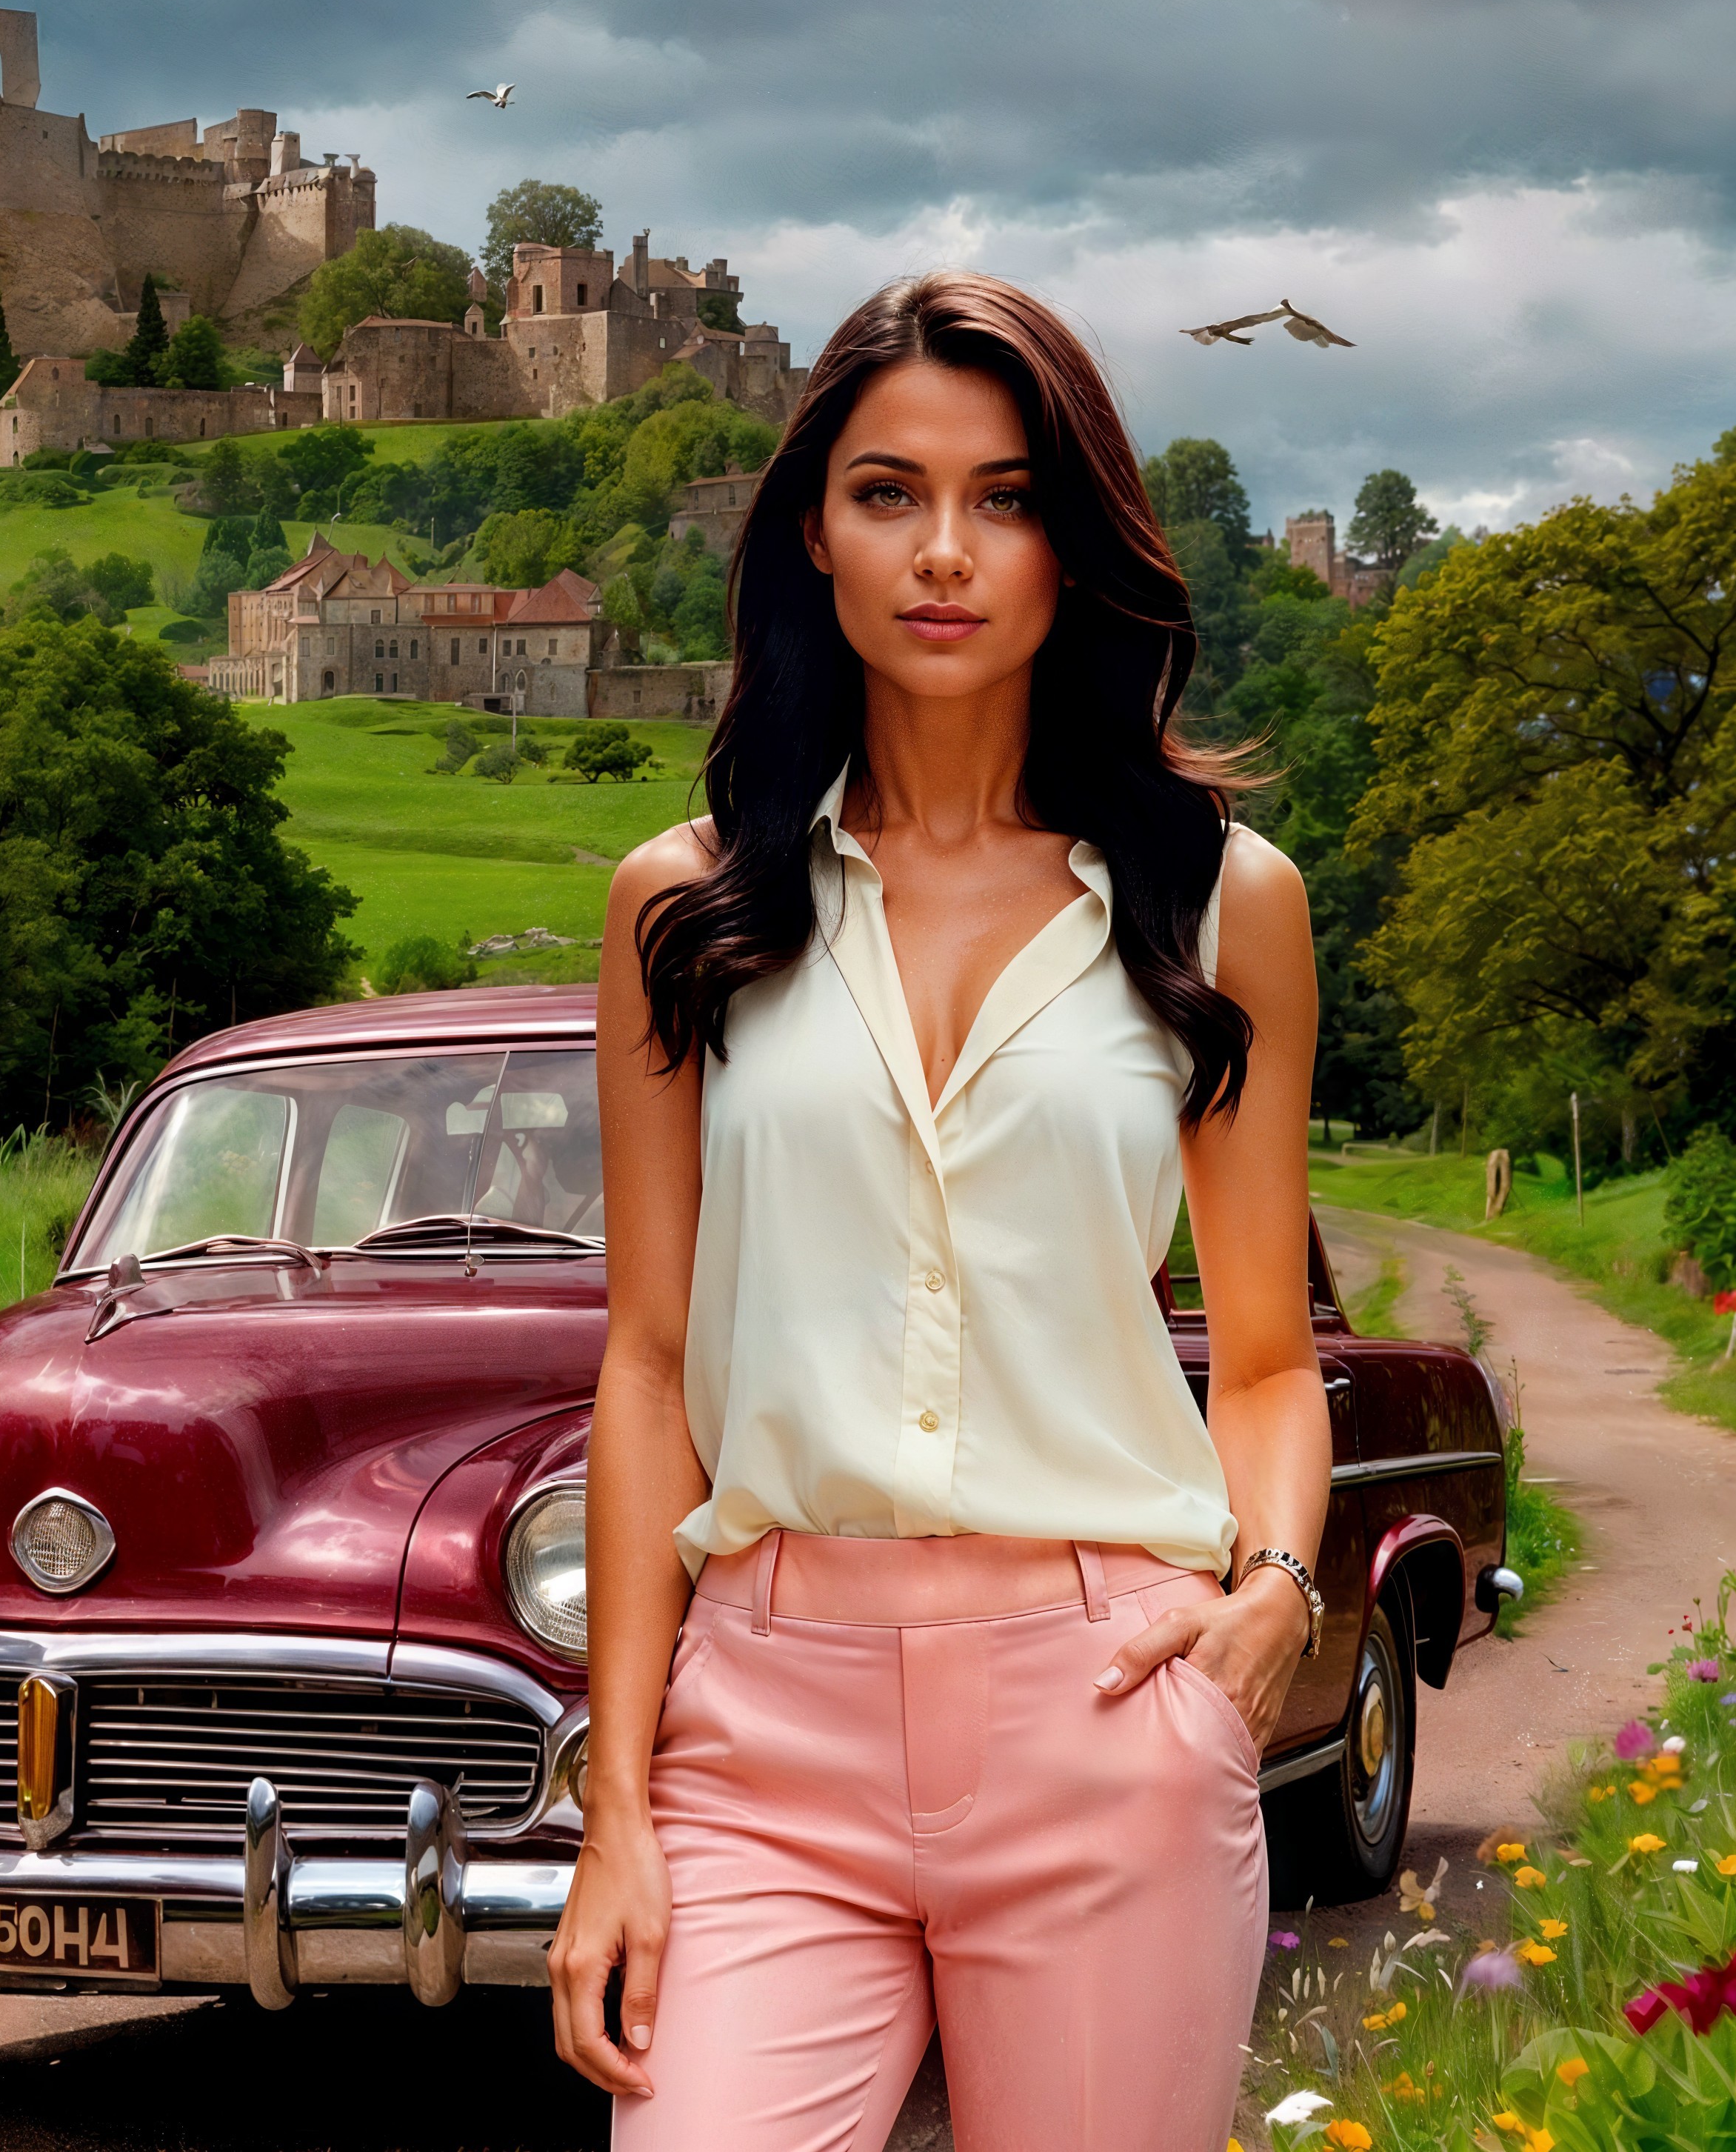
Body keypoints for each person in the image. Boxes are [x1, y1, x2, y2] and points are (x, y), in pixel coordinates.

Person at [548, 272, 1326, 2148]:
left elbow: (1270, 1356)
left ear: (1078, 538)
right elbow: (645, 1371)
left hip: (1103, 1711)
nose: (945, 552)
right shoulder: (687, 906)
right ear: (813, 530)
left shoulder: (1223, 902)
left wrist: (1272, 1606)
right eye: (890, 492)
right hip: (764, 1727)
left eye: (1007, 496)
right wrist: (623, 1814)